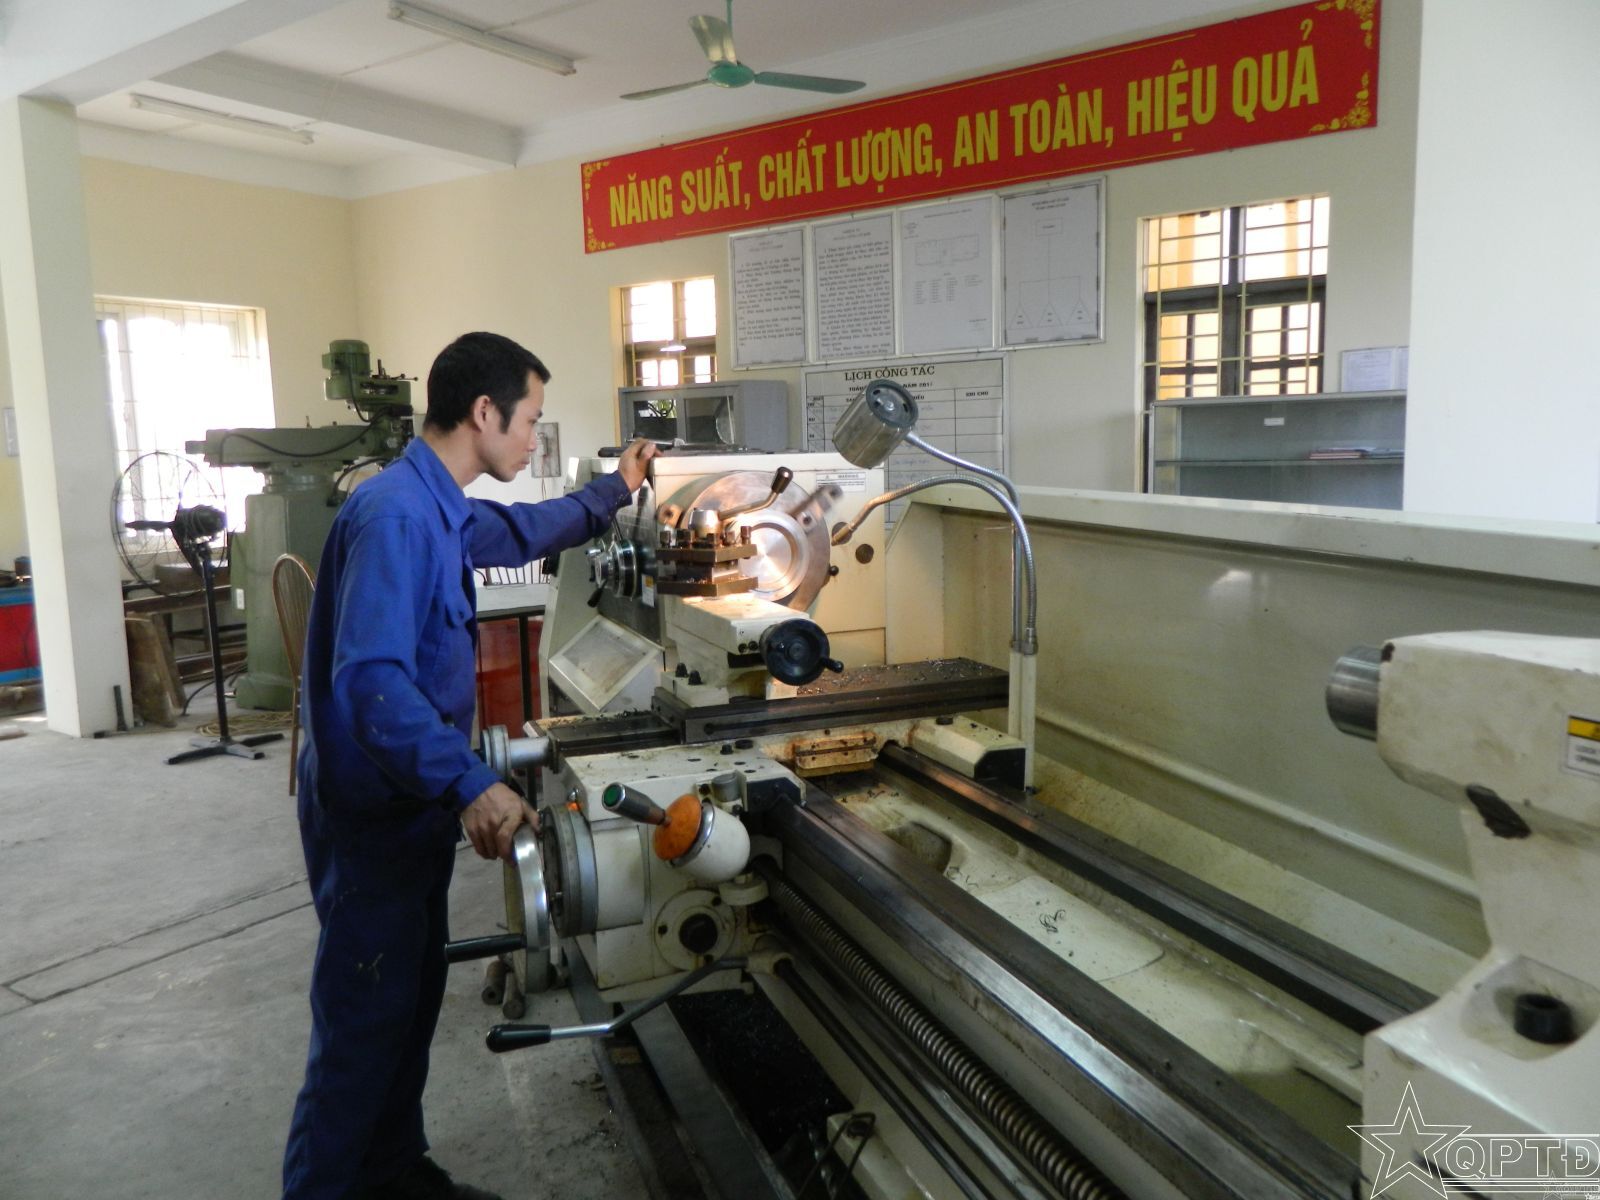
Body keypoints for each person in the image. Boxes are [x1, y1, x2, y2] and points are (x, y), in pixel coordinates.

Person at [282, 331, 658, 1200]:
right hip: (373, 818)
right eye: (528, 420)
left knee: (409, 1002)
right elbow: (371, 681)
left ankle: (392, 1173)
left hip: (409, 808)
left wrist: (616, 489)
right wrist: (471, 783)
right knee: (363, 1023)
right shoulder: (396, 517)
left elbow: (523, 530)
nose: (532, 439)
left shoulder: (436, 504)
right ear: (484, 413)